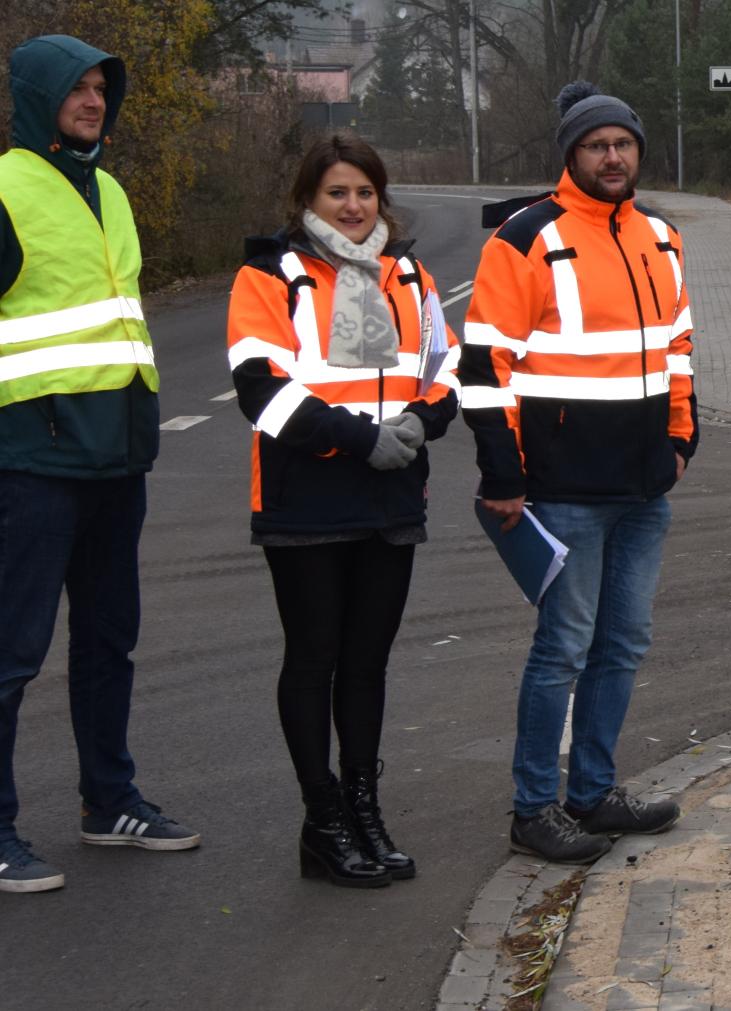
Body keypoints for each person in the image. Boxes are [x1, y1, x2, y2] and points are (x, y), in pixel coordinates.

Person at [461, 81, 687, 864]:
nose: (613, 156)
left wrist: (682, 437)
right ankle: (534, 807)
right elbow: (484, 365)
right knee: (563, 646)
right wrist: (504, 470)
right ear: (571, 155)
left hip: (643, 486)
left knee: (623, 643)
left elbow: (677, 347)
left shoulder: (661, 235)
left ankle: (591, 791)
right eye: (597, 145)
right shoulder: (526, 236)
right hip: (562, 487)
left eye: (623, 143)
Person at [225, 135, 459, 887]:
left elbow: (442, 366)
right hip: (309, 494)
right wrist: (362, 440)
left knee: (367, 662)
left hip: (391, 492)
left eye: (364, 192)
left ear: (380, 198)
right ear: (307, 202)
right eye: (337, 194)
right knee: (314, 657)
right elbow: (263, 388)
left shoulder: (409, 271)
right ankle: (322, 820)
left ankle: (365, 809)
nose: (353, 206)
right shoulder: (270, 273)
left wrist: (425, 421)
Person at [0, 35, 201, 894]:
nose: (91, 102)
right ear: (36, 96)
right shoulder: (7, 187)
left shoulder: (110, 189)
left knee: (110, 639)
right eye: (75, 89)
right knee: (13, 650)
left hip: (116, 454)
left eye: (99, 90)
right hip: (30, 459)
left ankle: (108, 800)